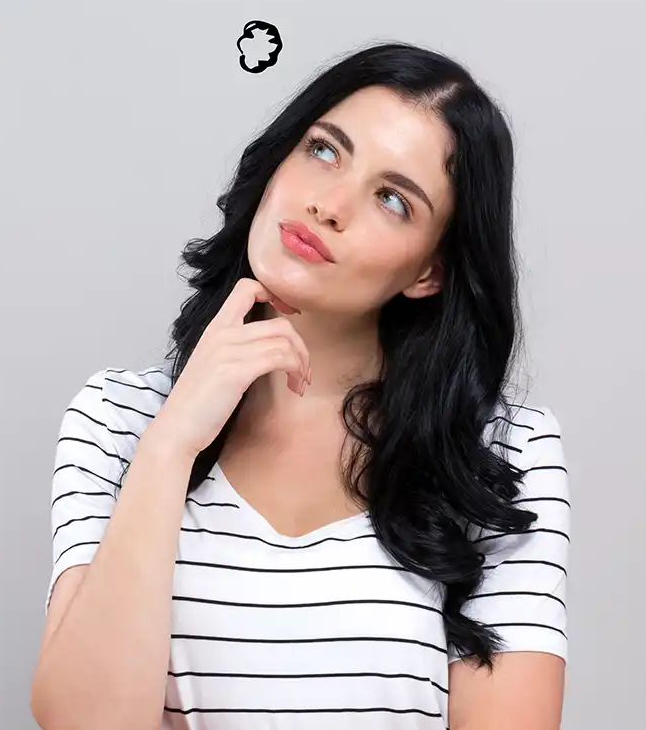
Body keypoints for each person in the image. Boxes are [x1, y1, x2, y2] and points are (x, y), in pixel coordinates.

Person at [29, 44, 569, 729]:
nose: (329, 204)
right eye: (323, 150)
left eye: (393, 199)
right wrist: (169, 447)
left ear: (428, 271)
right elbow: (83, 722)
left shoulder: (502, 456)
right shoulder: (118, 418)